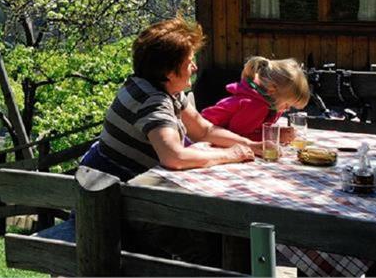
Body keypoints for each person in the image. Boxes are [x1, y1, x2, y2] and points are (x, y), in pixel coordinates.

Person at [78, 18, 255, 183]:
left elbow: (203, 130)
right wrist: (230, 155)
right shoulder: (153, 101)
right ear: (168, 72)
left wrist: (252, 145)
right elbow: (174, 158)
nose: (195, 67)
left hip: (114, 180)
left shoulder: (158, 86)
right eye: (189, 62)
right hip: (113, 193)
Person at [202, 56, 311, 142]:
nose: (287, 109)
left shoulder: (268, 101)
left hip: (213, 137)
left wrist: (276, 132)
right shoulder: (255, 105)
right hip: (200, 136)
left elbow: (254, 129)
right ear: (272, 90)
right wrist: (275, 136)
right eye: (287, 104)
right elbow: (238, 137)